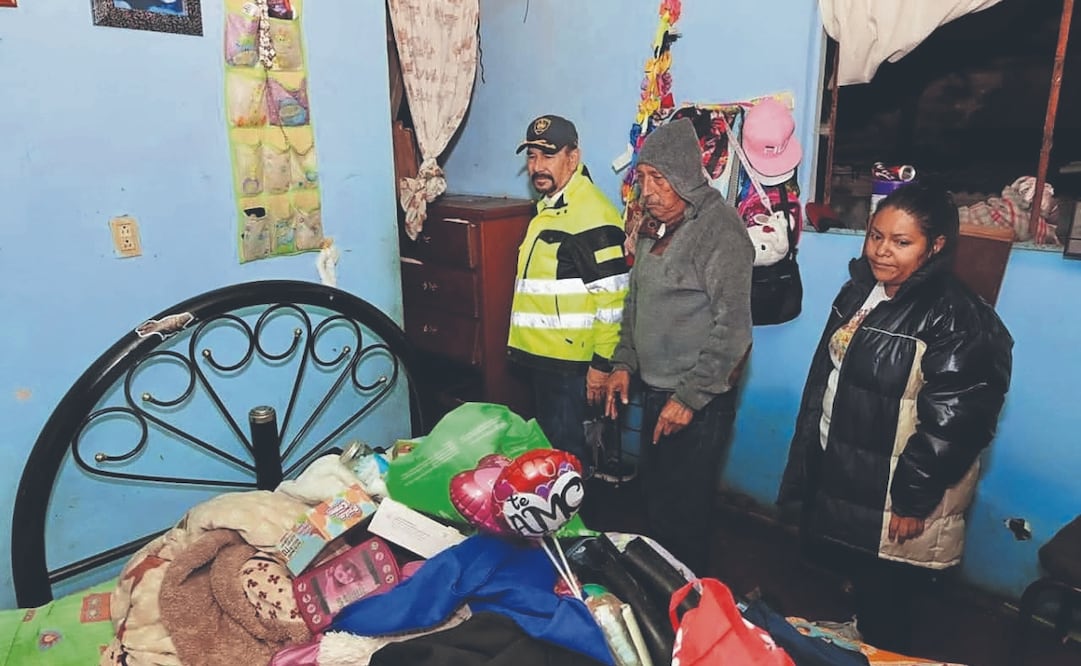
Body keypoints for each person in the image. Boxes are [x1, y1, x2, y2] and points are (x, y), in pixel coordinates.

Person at [777, 181, 1013, 653]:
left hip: (897, 485)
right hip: (854, 463)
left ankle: (881, 648)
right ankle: (863, 635)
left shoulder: (954, 317)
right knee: (868, 581)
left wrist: (911, 499)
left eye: (901, 242)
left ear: (936, 246)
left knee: (891, 598)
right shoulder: (865, 290)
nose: (882, 251)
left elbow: (956, 420)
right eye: (876, 236)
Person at [604, 118, 755, 575]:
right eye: (643, 177)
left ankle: (690, 607)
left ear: (687, 177)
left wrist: (687, 400)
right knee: (657, 501)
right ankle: (662, 594)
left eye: (659, 179)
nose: (647, 190)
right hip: (653, 392)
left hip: (697, 400)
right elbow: (637, 301)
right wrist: (622, 362)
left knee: (684, 513)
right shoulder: (656, 226)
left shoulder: (720, 232)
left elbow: (733, 332)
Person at [507, 115, 630, 475]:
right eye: (531, 157)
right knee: (551, 458)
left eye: (548, 156)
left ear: (573, 158)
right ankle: (557, 526)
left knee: (566, 461)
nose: (537, 167)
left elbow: (613, 302)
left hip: (571, 368)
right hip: (543, 359)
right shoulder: (548, 209)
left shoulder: (592, 215)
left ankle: (574, 529)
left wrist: (601, 367)